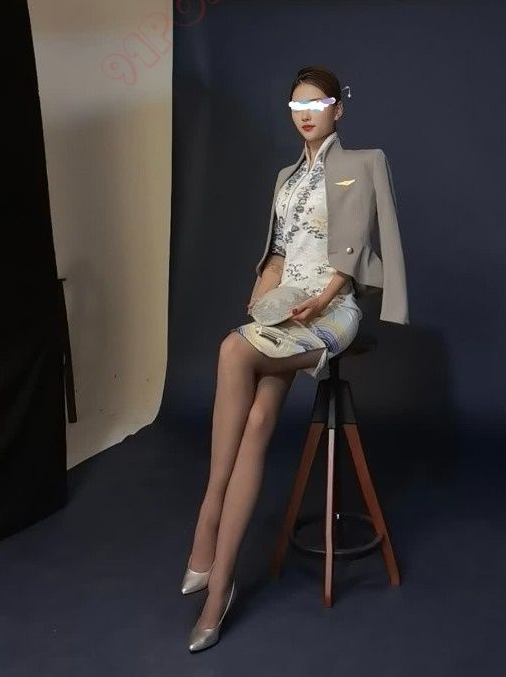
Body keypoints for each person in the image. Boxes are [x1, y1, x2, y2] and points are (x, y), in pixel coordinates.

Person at [183, 65, 409, 652]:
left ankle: (208, 520)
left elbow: (368, 249)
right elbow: (279, 252)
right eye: (296, 106)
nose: (306, 114)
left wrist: (327, 296)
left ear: (339, 109)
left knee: (232, 351)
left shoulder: (365, 163)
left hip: (333, 310)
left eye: (318, 103)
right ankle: (221, 587)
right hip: (286, 306)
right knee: (258, 419)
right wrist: (263, 294)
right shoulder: (286, 177)